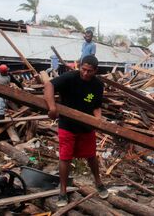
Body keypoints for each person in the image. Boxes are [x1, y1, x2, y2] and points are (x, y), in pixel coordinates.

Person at [44, 55, 108, 207]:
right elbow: (49, 85)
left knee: (91, 156)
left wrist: (98, 121)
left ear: (95, 71)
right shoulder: (70, 77)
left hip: (86, 126)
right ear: (80, 66)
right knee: (65, 158)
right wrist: (52, 107)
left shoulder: (98, 85)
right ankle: (63, 192)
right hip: (67, 125)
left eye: (89, 71)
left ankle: (98, 183)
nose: (85, 73)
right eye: (83, 69)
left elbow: (96, 106)